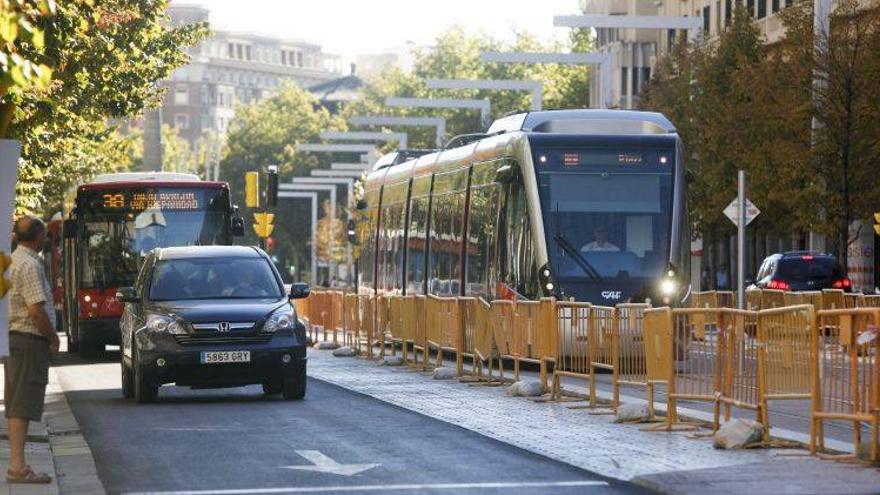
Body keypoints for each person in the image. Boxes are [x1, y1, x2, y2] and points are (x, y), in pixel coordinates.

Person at [5, 216, 59, 484]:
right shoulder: (29, 265)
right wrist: (52, 338)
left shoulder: (13, 261)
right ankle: (17, 466)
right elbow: (36, 309)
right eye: (45, 235)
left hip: (16, 340)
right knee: (23, 404)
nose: (47, 239)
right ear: (37, 237)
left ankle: (18, 464)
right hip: (29, 340)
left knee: (17, 403)